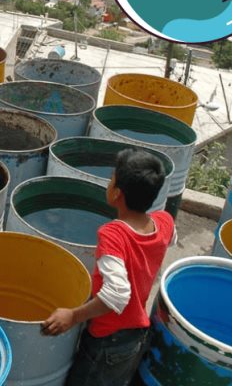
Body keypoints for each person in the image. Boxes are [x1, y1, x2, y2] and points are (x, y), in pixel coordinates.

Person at [42, 149, 175, 386]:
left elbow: (117, 295)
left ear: (117, 193)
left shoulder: (113, 235)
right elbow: (171, 238)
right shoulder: (164, 220)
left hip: (107, 341)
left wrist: (73, 315)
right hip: (134, 334)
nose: (109, 182)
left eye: (111, 178)